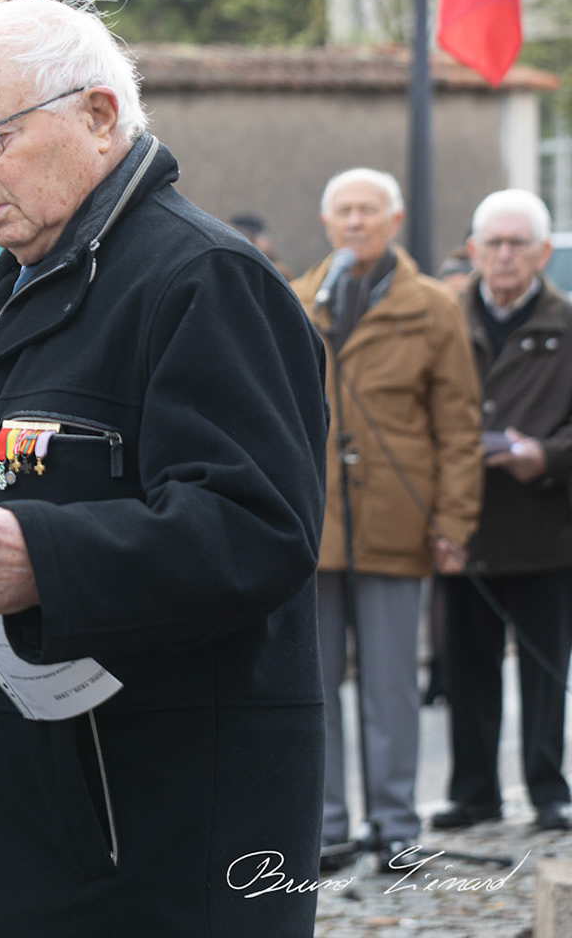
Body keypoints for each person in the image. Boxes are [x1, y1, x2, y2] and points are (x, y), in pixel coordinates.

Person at [0, 0, 328, 935]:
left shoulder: (204, 280)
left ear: (99, 116)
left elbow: (258, 532)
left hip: (134, 867)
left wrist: (44, 555)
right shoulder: (5, 297)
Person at [293, 168, 479, 868]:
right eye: (344, 211)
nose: (357, 222)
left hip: (401, 521)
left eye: (370, 210)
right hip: (314, 525)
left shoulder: (433, 308)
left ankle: (397, 823)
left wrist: (455, 522)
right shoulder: (298, 300)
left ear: (395, 221)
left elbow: (458, 427)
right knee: (312, 682)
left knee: (393, 684)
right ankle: (327, 823)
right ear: (326, 223)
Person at [430, 189, 572, 832]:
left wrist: (546, 455)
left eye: (519, 243)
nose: (506, 255)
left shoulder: (567, 324)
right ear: (474, 250)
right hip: (462, 527)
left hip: (545, 525)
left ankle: (548, 789)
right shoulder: (442, 319)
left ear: (544, 252)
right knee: (466, 669)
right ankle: (473, 791)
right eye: (494, 243)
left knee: (545, 668)